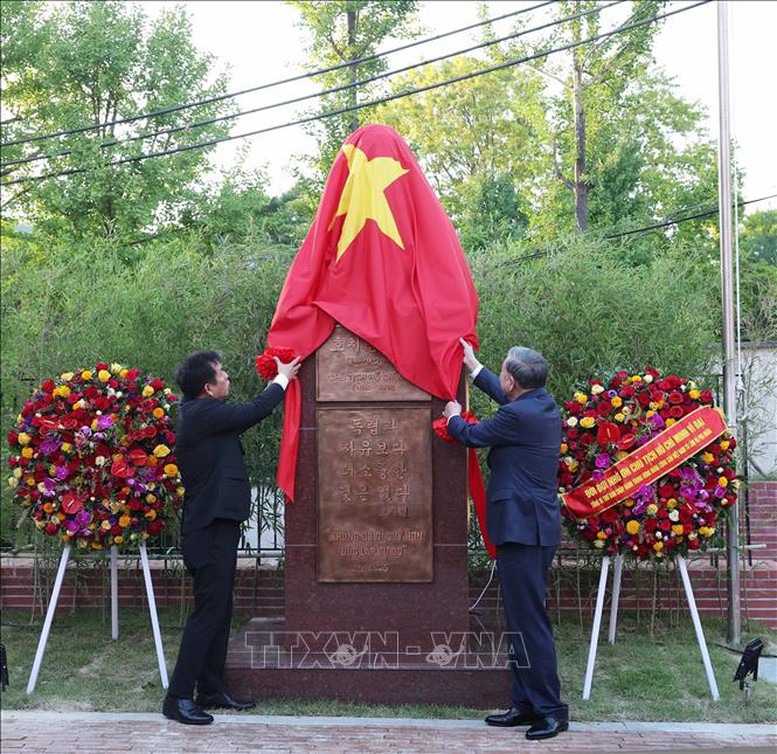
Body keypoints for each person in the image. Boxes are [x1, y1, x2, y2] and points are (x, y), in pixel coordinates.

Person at [162, 350, 301, 725]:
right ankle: (177, 697)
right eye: (222, 374)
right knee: (208, 611)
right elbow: (253, 411)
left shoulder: (203, 414)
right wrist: (283, 377)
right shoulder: (201, 414)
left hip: (219, 525)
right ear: (208, 388)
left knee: (220, 608)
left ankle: (210, 688)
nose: (228, 378)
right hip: (207, 529)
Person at [443, 338, 568, 741]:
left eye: (500, 372)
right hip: (527, 528)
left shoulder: (519, 417)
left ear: (513, 381)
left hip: (524, 530)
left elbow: (470, 434)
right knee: (518, 620)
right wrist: (474, 366)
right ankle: (525, 704)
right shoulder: (539, 404)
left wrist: (451, 416)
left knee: (530, 622)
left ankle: (551, 710)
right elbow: (506, 400)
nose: (500, 378)